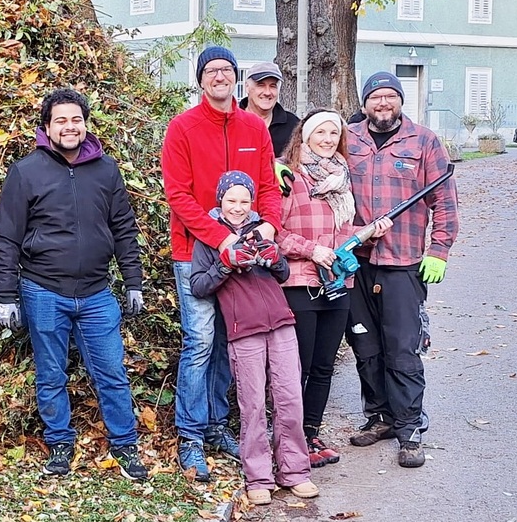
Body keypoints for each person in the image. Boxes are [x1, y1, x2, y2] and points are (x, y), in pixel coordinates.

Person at [0, 89, 148, 481]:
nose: (69, 127)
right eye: (60, 120)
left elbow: (124, 228)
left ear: (86, 124)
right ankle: (60, 443)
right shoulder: (26, 172)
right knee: (51, 374)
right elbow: (6, 236)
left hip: (97, 292)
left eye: (76, 119)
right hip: (43, 290)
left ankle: (125, 444)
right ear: (47, 127)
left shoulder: (106, 170)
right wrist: (6, 295)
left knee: (112, 372)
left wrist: (133, 281)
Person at [160, 45, 282, 481]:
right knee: (199, 342)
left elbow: (268, 187)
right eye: (211, 70)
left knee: (229, 341)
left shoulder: (254, 127)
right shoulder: (183, 128)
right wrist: (222, 238)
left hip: (246, 253)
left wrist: (268, 227)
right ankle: (190, 435)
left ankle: (215, 424)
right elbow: (178, 196)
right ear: (200, 79)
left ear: (236, 77)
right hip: (194, 252)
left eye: (226, 70)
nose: (219, 76)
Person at [345, 72, 459, 468]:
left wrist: (439, 249)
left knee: (402, 348)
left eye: (390, 96)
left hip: (403, 262)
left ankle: (409, 429)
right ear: (364, 104)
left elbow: (445, 200)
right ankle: (380, 416)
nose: (383, 103)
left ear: (400, 101)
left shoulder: (424, 141)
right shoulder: (347, 139)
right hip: (356, 262)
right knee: (365, 345)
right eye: (375, 97)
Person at [189, 171, 319, 505]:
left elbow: (283, 273)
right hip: (243, 329)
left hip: (281, 322)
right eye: (231, 200)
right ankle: (258, 477)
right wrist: (226, 263)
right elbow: (198, 286)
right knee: (253, 405)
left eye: (244, 201)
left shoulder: (261, 228)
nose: (238, 207)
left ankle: (295, 472)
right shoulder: (210, 236)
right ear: (220, 200)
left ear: (252, 202)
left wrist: (274, 258)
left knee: (290, 399)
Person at [276, 109, 392, 467]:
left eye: (334, 133)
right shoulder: (288, 175)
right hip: (299, 284)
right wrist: (312, 250)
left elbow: (342, 233)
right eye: (321, 133)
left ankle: (310, 434)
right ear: (305, 136)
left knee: (324, 367)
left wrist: (368, 232)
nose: (327, 139)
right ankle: (288, 438)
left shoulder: (340, 180)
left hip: (338, 285)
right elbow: (274, 232)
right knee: (298, 368)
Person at [239, 61, 300, 157]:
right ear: (247, 87)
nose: (267, 92)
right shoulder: (231, 122)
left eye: (273, 86)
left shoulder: (293, 125)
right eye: (261, 85)